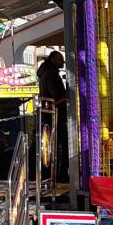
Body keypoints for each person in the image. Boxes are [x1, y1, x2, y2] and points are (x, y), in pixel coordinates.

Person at [37, 50, 69, 183]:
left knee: (49, 145)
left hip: (47, 116)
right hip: (56, 115)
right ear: (54, 59)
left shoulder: (45, 74)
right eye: (61, 59)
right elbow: (57, 95)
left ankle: (49, 174)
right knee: (62, 145)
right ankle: (60, 174)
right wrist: (65, 98)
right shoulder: (51, 75)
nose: (63, 61)